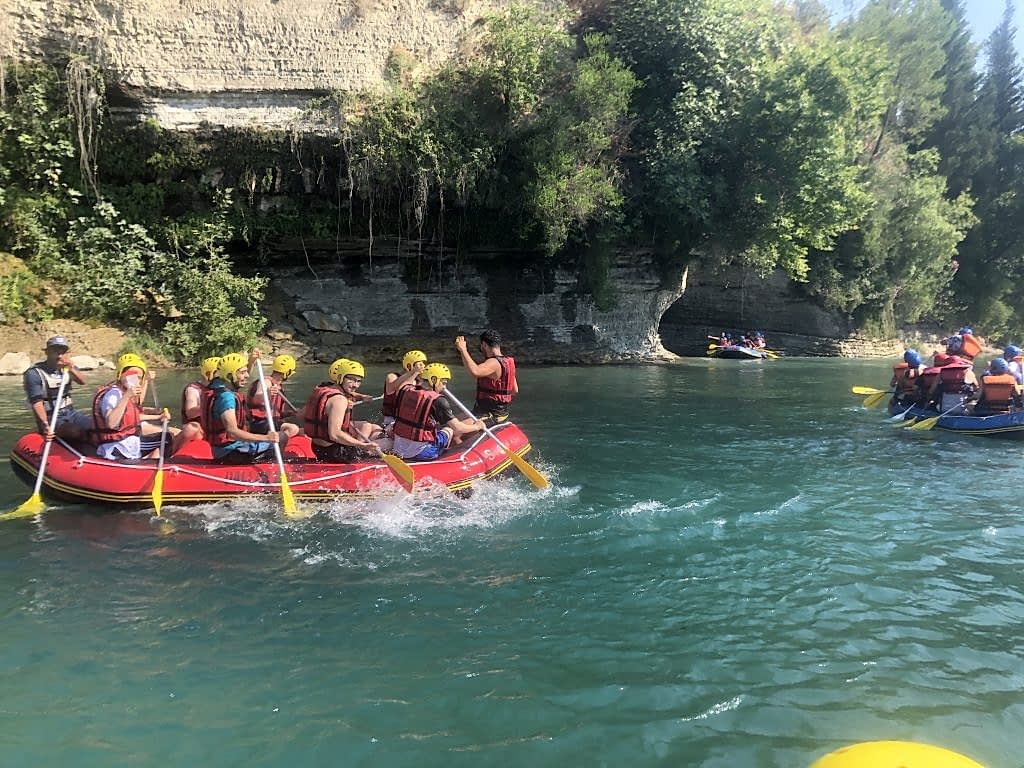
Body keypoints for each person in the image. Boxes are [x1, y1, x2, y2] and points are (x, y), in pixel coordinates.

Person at [92, 354, 181, 462]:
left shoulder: (122, 390)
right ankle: (154, 466)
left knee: (166, 438)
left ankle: (151, 461)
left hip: (129, 441)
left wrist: (157, 415)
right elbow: (111, 423)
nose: (134, 380)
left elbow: (131, 413)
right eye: (130, 375)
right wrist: (127, 396)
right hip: (118, 446)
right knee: (167, 439)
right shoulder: (113, 395)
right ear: (121, 374)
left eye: (138, 377)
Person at [202, 352, 284, 464]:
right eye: (242, 372)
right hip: (231, 452)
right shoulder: (226, 398)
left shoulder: (218, 386)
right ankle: (273, 468)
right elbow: (232, 432)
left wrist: (251, 361)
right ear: (230, 375)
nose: (247, 375)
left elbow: (239, 380)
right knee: (281, 438)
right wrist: (266, 438)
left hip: (226, 448)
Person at [392, 363, 483, 461]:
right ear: (433, 380)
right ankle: (449, 458)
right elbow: (458, 428)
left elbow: (402, 384)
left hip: (398, 450)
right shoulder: (438, 400)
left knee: (438, 428)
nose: (444, 387)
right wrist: (477, 426)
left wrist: (415, 372)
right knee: (449, 430)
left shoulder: (405, 390)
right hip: (423, 453)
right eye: (443, 383)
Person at [303, 359, 390, 462]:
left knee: (372, 427)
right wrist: (363, 445)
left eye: (358, 381)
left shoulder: (323, 389)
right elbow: (334, 435)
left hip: (317, 447)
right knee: (389, 443)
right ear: (340, 378)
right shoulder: (339, 400)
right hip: (335, 452)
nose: (355, 385)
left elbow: (302, 415)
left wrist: (361, 397)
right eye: (351, 380)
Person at [23, 335, 93, 442]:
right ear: (47, 352)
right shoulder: (34, 373)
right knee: (75, 432)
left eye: (63, 352)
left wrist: (71, 369)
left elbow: (82, 382)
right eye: (55, 351)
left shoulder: (68, 367)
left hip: (71, 412)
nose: (60, 356)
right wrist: (45, 424)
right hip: (51, 417)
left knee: (97, 426)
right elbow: (37, 402)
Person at [454, 329, 518, 423]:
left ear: (484, 345)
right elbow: (514, 390)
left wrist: (463, 350)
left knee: (454, 430)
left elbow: (475, 372)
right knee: (447, 423)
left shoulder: (493, 363)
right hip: (498, 412)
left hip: (490, 414)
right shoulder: (508, 363)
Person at [247, 354, 300, 440]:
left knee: (301, 431)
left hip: (271, 422)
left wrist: (291, 413)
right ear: (288, 372)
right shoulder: (266, 382)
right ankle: (270, 446)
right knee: (292, 429)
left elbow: (277, 412)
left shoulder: (277, 385)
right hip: (260, 423)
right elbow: (257, 398)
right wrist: (268, 393)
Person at [382, 350, 427, 433]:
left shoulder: (420, 382)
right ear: (409, 365)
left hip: (411, 420)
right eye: (419, 364)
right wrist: (413, 372)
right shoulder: (392, 376)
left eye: (423, 363)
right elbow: (392, 388)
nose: (423, 366)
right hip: (392, 420)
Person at [179, 356, 221, 443]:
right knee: (193, 427)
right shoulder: (193, 389)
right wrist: (210, 403)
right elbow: (190, 413)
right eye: (219, 374)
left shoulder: (222, 389)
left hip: (214, 427)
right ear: (208, 374)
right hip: (197, 429)